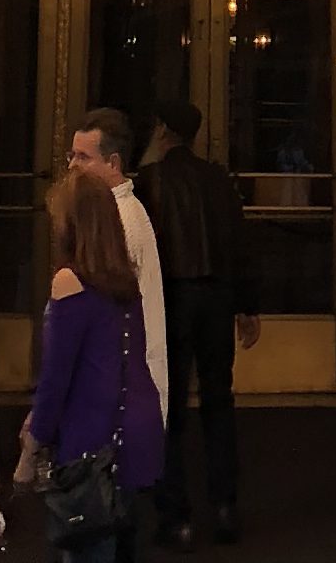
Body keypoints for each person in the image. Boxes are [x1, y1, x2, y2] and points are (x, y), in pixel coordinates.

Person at [18, 162, 166, 563]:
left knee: (87, 547)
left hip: (93, 442)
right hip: (137, 432)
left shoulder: (70, 283)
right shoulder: (123, 282)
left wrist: (30, 453)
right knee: (120, 543)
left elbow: (56, 380)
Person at [136, 102, 254, 547]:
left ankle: (176, 516)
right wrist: (247, 304)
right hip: (218, 297)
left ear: (164, 130)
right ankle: (224, 506)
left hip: (172, 299)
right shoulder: (217, 180)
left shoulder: (150, 181)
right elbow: (239, 241)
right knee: (218, 402)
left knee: (170, 408)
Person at [64, 110, 171, 427]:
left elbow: (101, 320)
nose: (72, 166)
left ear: (113, 163)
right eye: (72, 155)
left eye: (83, 157)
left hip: (116, 400)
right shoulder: (118, 212)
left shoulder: (116, 222)